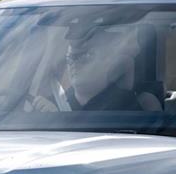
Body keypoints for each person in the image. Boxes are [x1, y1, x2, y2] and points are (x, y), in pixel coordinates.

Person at [28, 29, 160, 112]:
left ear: (108, 62)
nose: (74, 62)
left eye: (85, 56)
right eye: (70, 57)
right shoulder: (51, 104)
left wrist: (59, 120)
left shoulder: (135, 106)